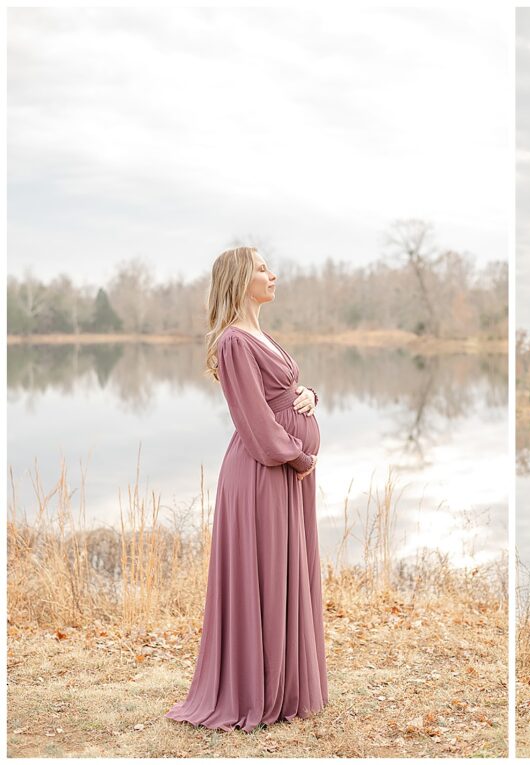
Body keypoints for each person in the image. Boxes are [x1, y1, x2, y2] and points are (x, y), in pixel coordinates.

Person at [166, 247, 329, 731]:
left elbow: (283, 394)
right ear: (240, 279)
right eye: (262, 268)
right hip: (263, 470)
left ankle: (284, 686)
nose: (273, 274)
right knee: (264, 576)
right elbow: (254, 419)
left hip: (286, 470)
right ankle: (254, 691)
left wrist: (312, 396)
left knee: (285, 572)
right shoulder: (235, 341)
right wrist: (299, 456)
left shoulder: (261, 334)